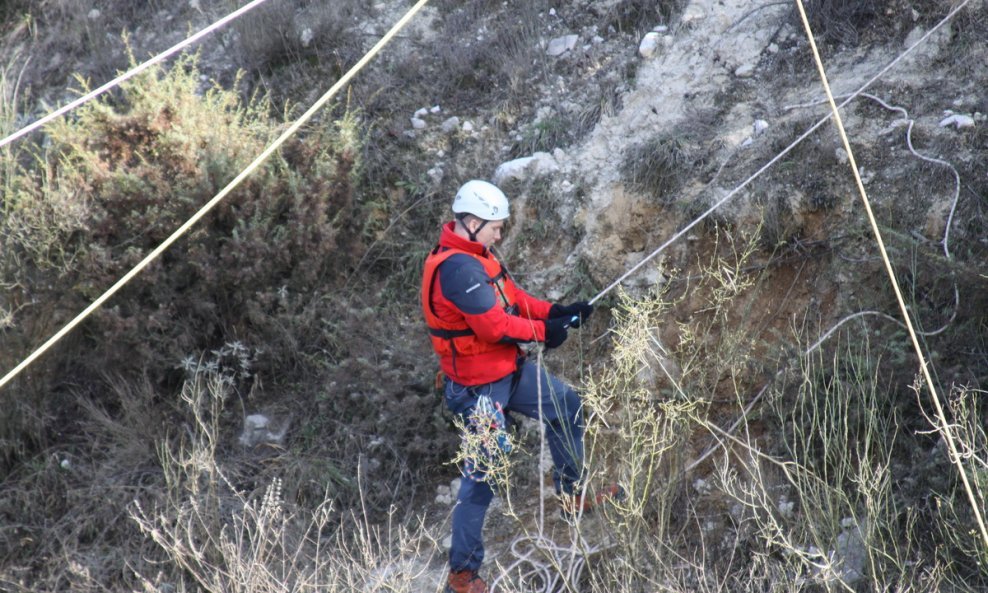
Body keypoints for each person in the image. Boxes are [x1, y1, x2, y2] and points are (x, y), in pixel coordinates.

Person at [421, 179, 620, 593]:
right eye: (495, 226)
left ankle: (570, 496)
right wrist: (546, 332)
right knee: (483, 478)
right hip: (479, 388)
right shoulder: (457, 269)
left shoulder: (478, 255)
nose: (500, 233)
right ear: (472, 222)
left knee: (566, 406)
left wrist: (556, 312)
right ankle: (463, 574)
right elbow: (493, 326)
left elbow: (511, 297)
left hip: (507, 372)